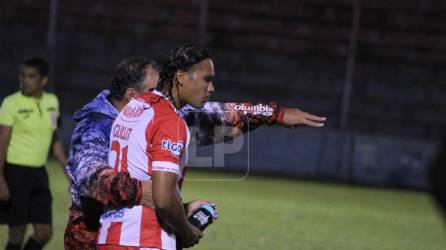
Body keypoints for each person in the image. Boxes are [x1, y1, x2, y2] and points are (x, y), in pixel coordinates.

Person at [64, 56, 326, 249]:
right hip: (91, 237)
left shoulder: (153, 113)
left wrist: (275, 114)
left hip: (136, 232)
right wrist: (155, 195)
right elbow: (91, 180)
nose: (162, 93)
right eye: (156, 89)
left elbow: (223, 118)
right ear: (132, 95)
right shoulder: (96, 125)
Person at [97, 43, 217, 249]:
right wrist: (187, 232)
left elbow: (138, 176)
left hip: (110, 235)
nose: (211, 88)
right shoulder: (169, 120)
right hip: (144, 240)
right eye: (207, 79)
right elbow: (162, 199)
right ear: (180, 77)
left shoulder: (133, 107)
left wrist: (183, 208)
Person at [0, 58, 68, 250]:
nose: (25, 80)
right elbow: (1, 142)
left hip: (39, 174)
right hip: (15, 173)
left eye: (31, 76)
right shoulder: (11, 103)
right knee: (16, 234)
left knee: (44, 233)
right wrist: (0, 178)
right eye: (22, 75)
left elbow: (54, 138)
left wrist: (66, 168)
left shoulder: (52, 102)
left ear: (43, 80)